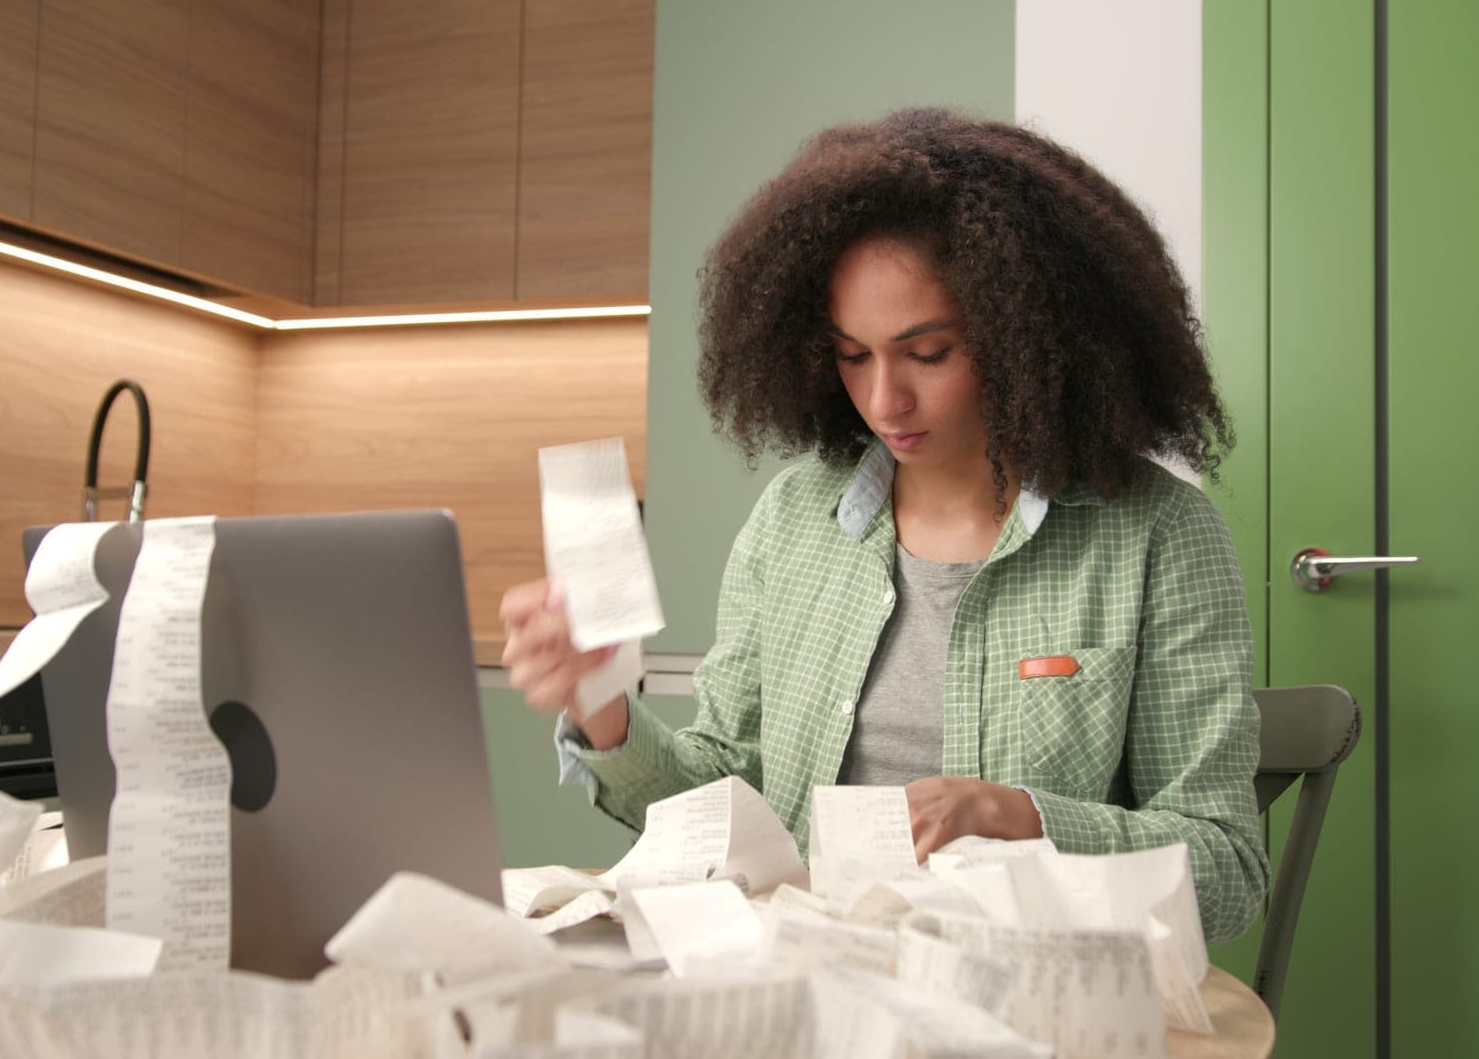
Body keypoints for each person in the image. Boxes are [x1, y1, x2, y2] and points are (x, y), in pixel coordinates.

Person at [500, 108, 1269, 943]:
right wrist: (602, 706)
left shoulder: (1156, 536)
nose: (883, 401)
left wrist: (1021, 817)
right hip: (808, 984)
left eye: (928, 354)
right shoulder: (796, 520)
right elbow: (719, 795)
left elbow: (1226, 872)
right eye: (852, 355)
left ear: (1028, 337)